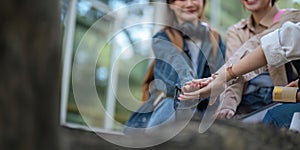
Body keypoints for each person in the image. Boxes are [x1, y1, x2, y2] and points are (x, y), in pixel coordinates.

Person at [178, 21, 300, 128]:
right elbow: (270, 47)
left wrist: (222, 78)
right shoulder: (236, 31)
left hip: (273, 98)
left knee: (275, 117)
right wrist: (221, 81)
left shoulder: (290, 17)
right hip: (244, 98)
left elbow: (276, 45)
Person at [127, 0, 226, 128]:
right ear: (171, 5)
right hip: (167, 112)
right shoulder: (162, 38)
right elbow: (177, 64)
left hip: (200, 115)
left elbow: (220, 78)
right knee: (172, 102)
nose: (189, 4)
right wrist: (188, 85)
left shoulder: (215, 40)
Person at [219, 0, 285, 119]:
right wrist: (227, 106)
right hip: (247, 99)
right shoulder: (237, 31)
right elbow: (232, 72)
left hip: (282, 97)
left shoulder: (291, 20)